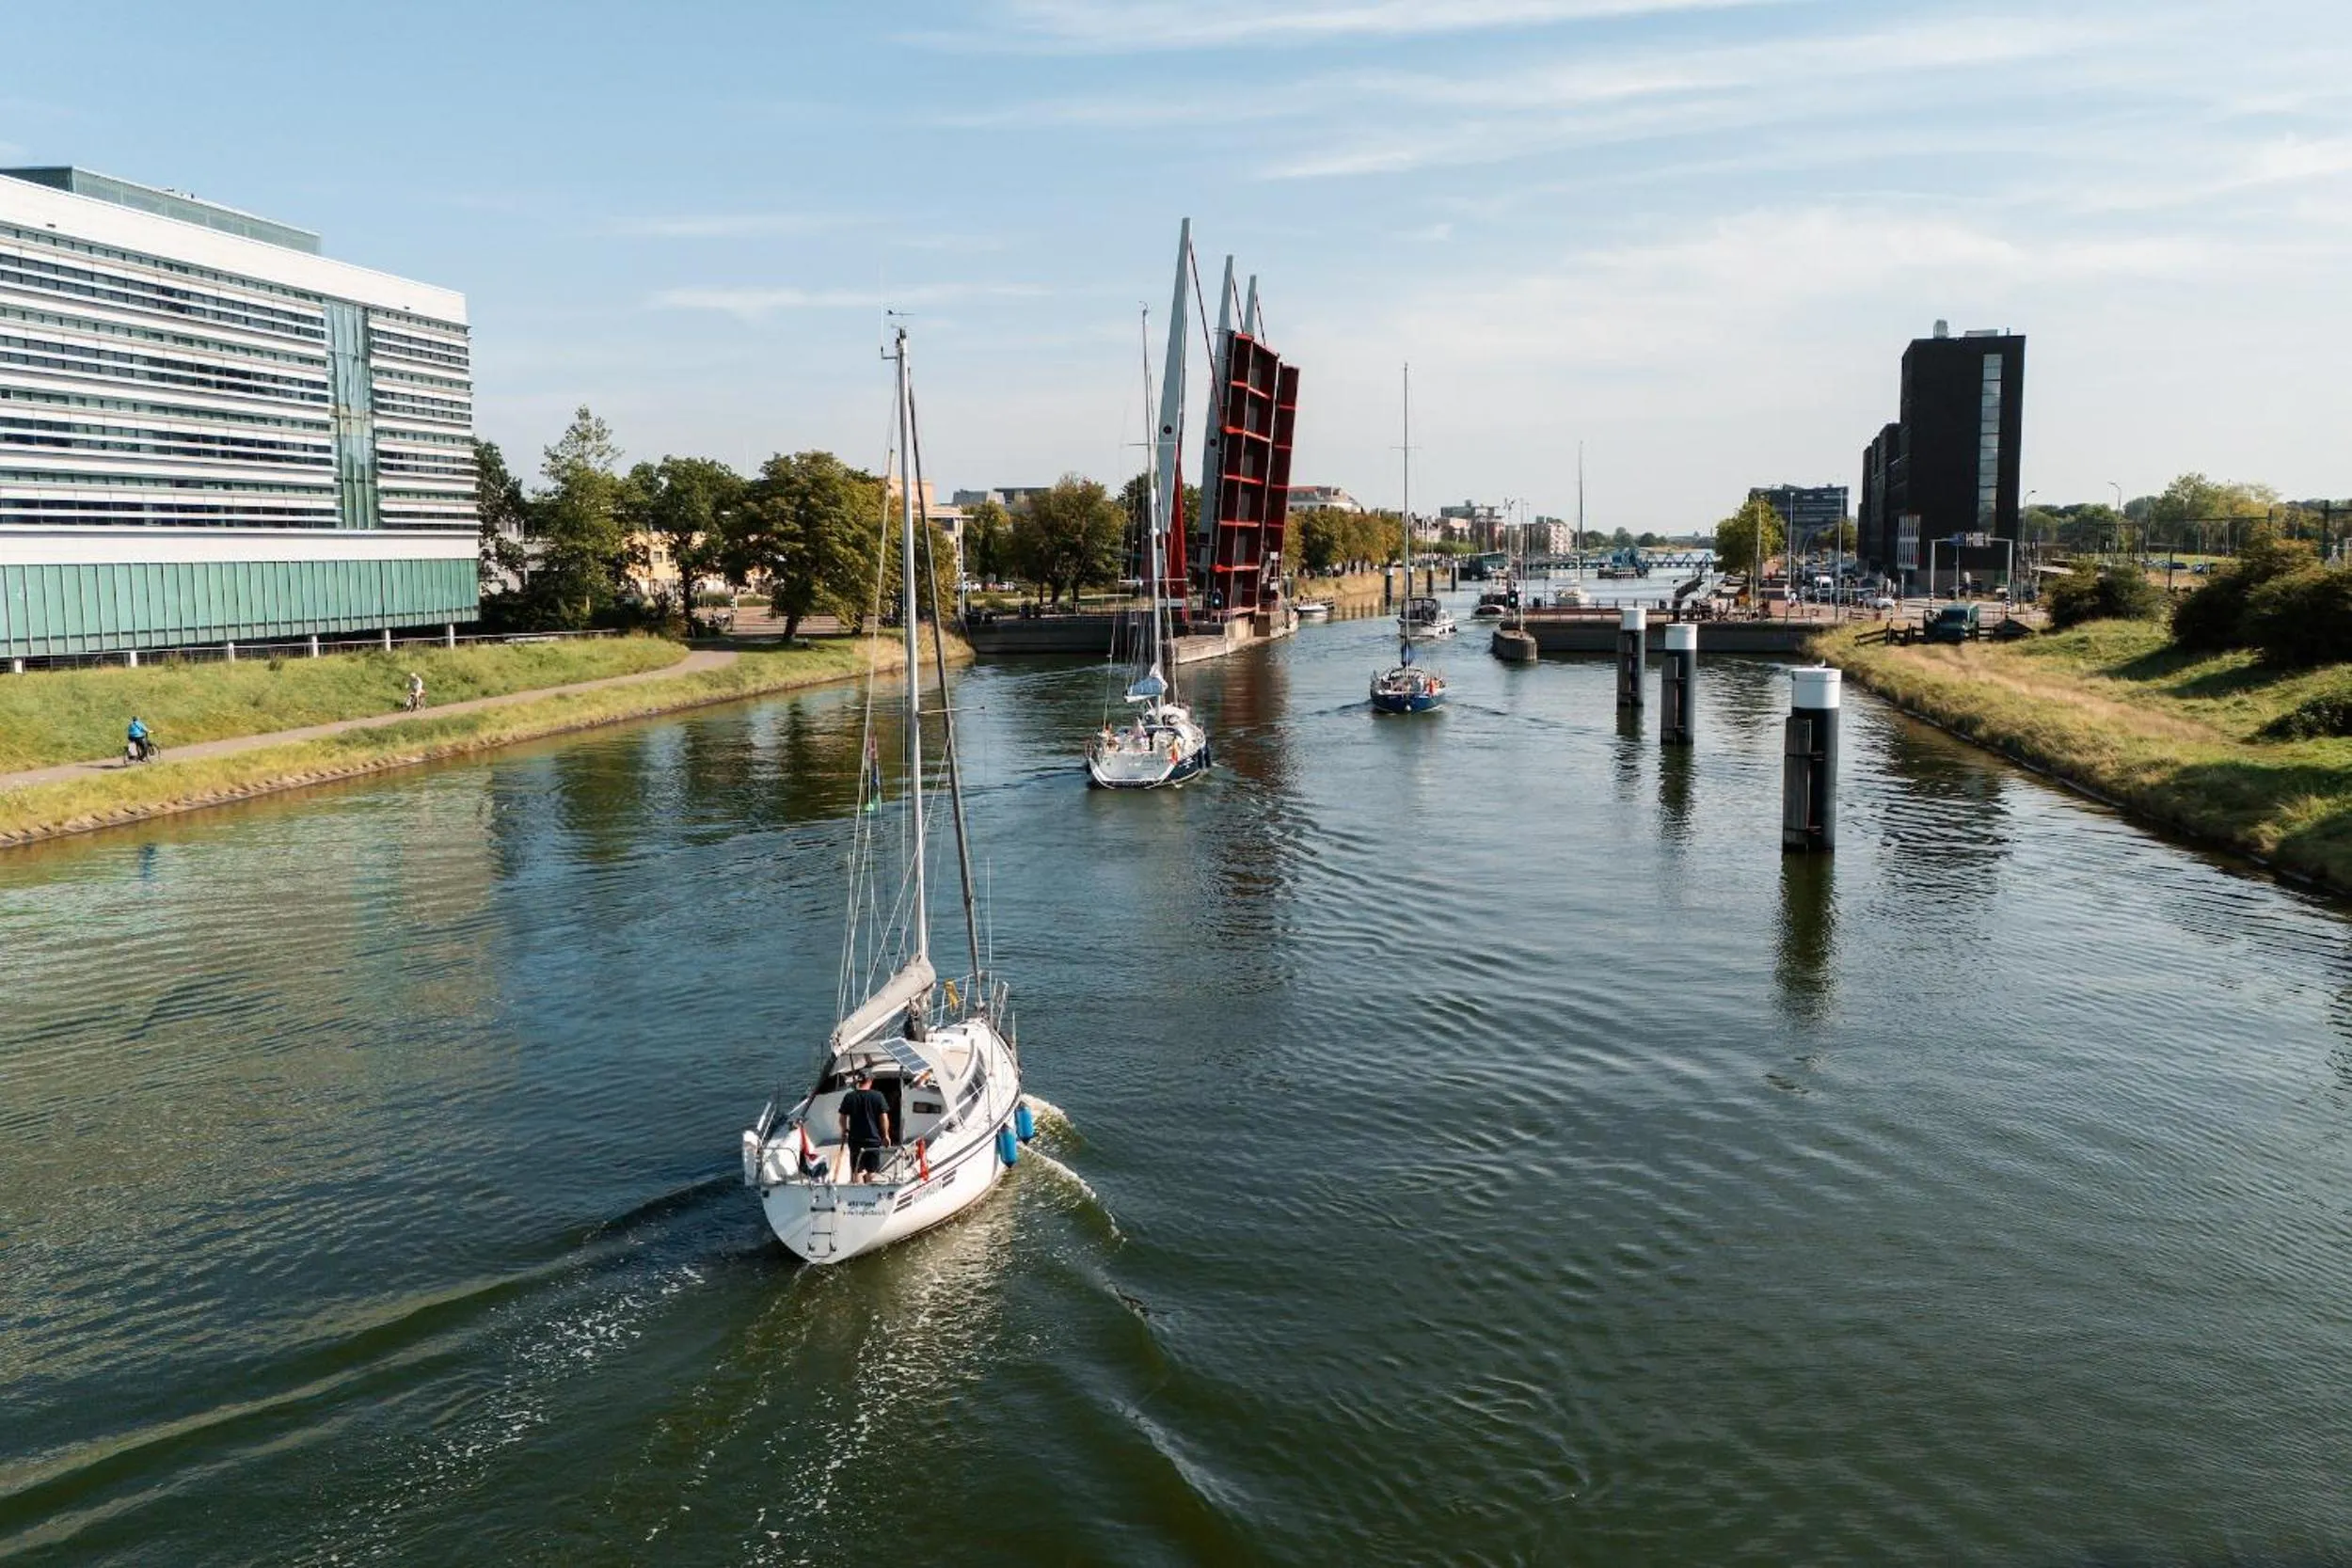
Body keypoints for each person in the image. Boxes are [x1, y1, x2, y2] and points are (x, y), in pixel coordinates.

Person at [837, 1069, 892, 1183]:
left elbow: (842, 1118)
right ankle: (870, 1190)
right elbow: (884, 1118)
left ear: (859, 1081)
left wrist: (844, 1130)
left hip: (855, 1140)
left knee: (857, 1171)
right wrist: (886, 1135)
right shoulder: (878, 1096)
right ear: (870, 1080)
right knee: (871, 1171)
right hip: (873, 1140)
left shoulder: (849, 1097)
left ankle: (858, 1191)